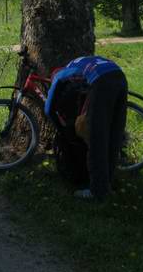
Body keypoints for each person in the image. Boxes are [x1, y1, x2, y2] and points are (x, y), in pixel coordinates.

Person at [44, 55, 127, 200]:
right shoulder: (81, 63)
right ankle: (107, 185)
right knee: (114, 136)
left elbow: (48, 109)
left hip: (101, 81)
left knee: (96, 138)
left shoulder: (61, 75)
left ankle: (97, 192)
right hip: (119, 76)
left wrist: (61, 129)